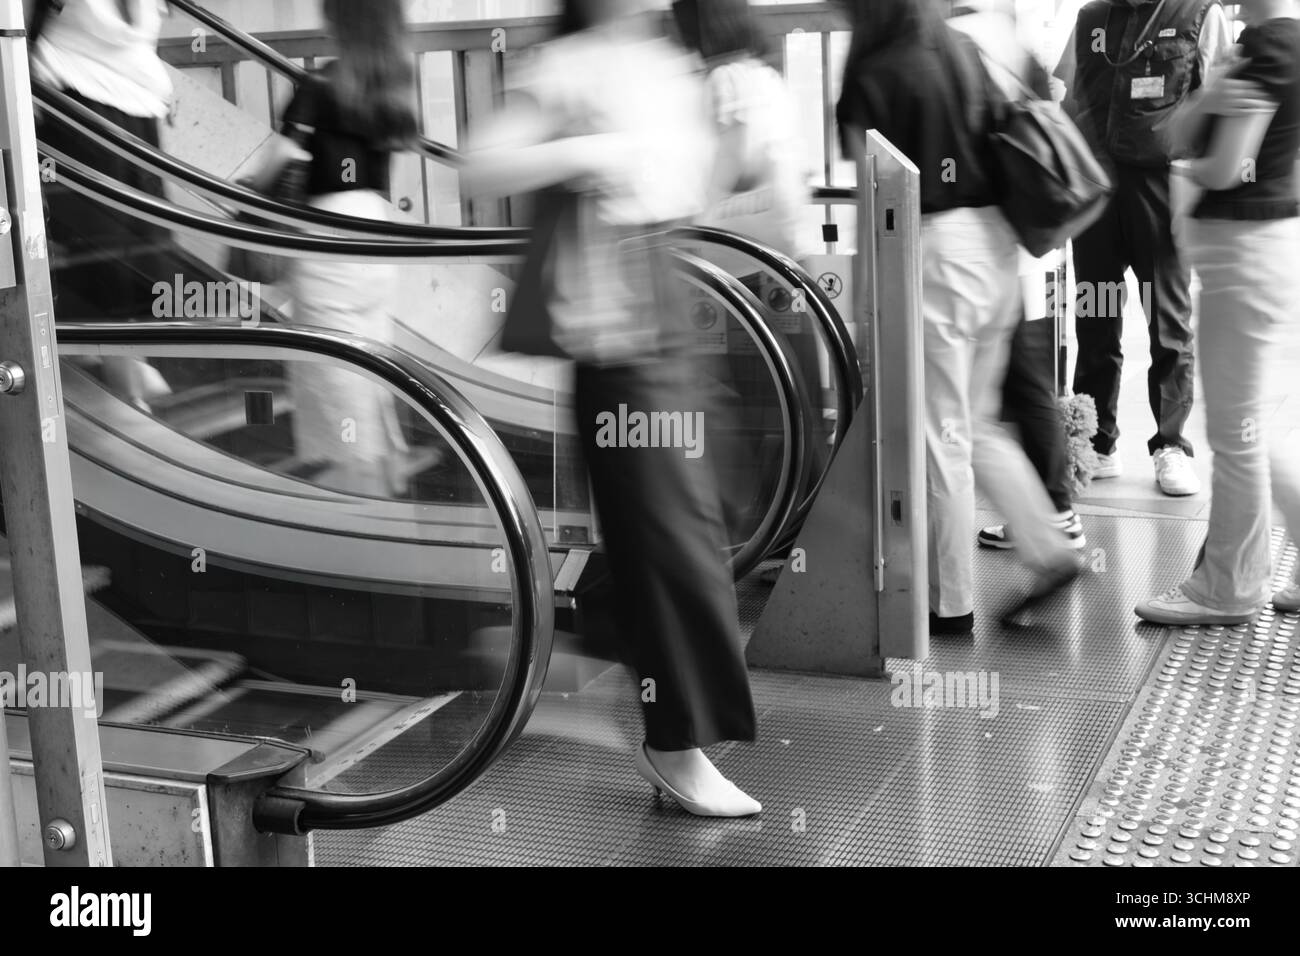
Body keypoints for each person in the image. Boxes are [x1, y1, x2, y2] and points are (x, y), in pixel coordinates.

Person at [463, 0, 761, 816]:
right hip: (614, 316)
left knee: (698, 517)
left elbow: (696, 190)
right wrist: (590, 148)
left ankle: (587, 646)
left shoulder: (667, 60)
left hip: (663, 299)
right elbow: (480, 164)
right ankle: (675, 743)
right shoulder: (574, 64)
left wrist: (733, 133)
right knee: (671, 533)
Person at [836, 0, 1082, 635]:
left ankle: (950, 604)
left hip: (935, 253)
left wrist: (866, 305)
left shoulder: (874, 72)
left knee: (939, 432)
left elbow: (874, 198)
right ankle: (1050, 548)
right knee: (972, 424)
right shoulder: (963, 48)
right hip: (998, 246)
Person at [1137, 0, 1300, 624]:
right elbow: (1181, 131)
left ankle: (1227, 588)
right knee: (1248, 428)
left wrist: (1186, 175)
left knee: (1236, 436)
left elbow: (1219, 163)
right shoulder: (1263, 45)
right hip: (1255, 254)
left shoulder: (1267, 52)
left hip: (1243, 260)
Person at [1055, 0, 1234, 497]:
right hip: (1096, 192)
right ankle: (1098, 442)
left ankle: (1171, 446)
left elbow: (1221, 102)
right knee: (1095, 318)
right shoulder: (1092, 17)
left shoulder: (1199, 14)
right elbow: (1064, 88)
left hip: (1160, 187)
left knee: (1167, 323)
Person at [249, 0, 418, 497]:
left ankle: (364, 510)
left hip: (329, 238)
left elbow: (284, 155)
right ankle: (388, 499)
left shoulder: (321, 85)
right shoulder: (392, 87)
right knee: (371, 371)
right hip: (377, 232)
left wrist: (246, 190)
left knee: (336, 378)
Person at [950, 1, 1088, 554]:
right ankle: (1052, 513)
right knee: (1024, 381)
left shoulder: (961, 37)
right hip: (1030, 233)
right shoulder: (1008, 34)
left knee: (1022, 384)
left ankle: (1055, 514)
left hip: (998, 238)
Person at [32, 0, 174, 410]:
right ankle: (122, 380)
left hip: (132, 118)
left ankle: (123, 368)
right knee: (108, 249)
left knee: (137, 249)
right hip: (79, 107)